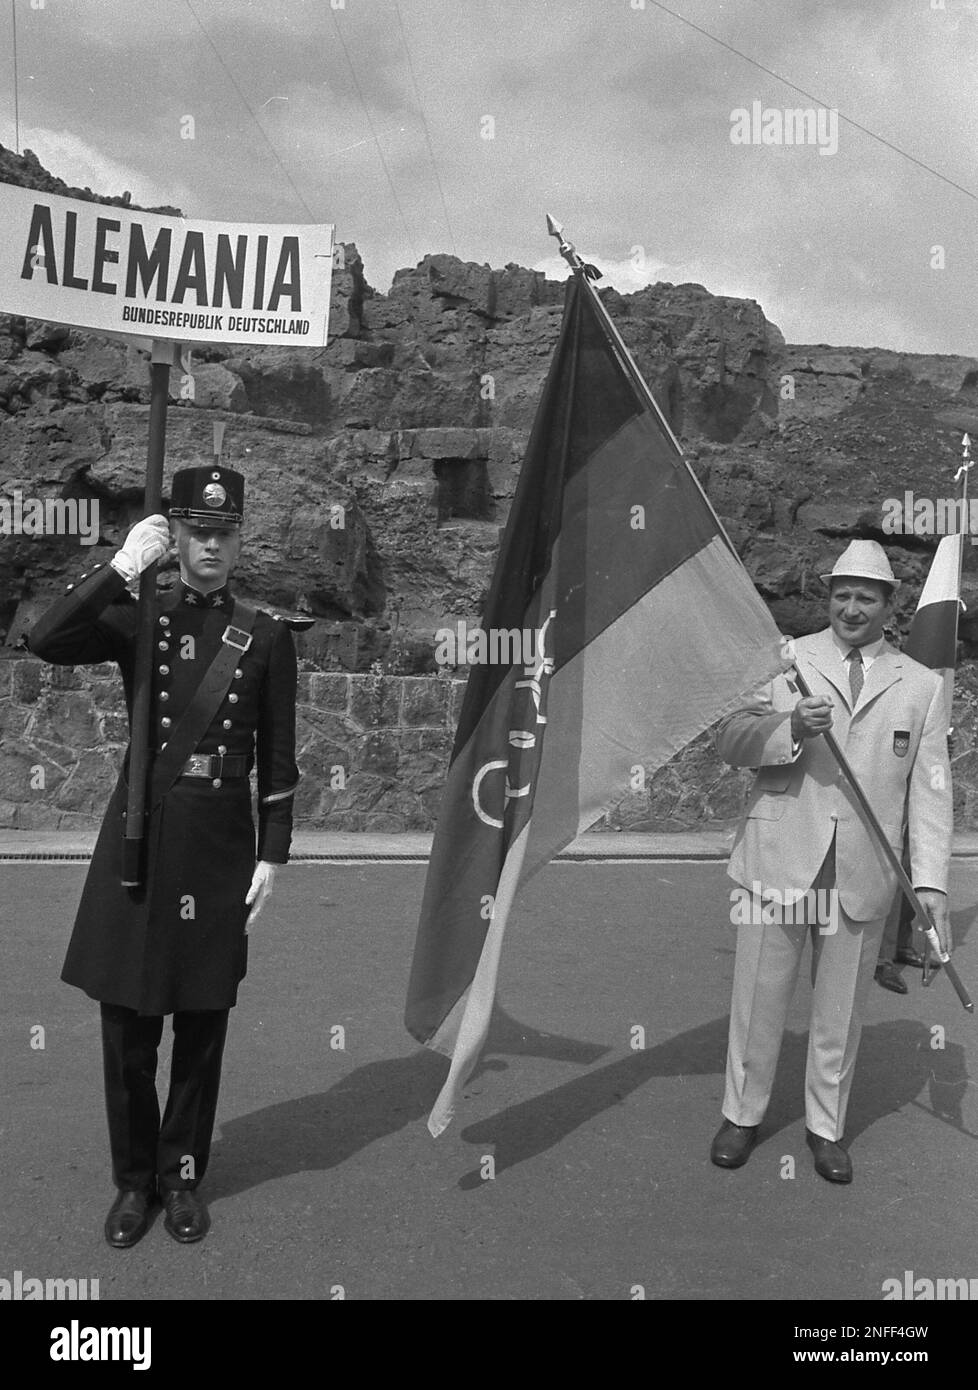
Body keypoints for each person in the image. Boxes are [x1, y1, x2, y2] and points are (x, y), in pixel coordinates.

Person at [29, 466, 299, 1246]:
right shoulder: (143, 615)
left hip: (219, 845)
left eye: (225, 533)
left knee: (202, 1022)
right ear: (175, 538)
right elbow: (47, 641)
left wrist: (272, 853)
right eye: (197, 532)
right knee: (128, 1025)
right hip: (141, 838)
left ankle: (180, 1178)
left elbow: (280, 755)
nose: (211, 545)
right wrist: (117, 567)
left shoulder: (267, 633)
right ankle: (133, 1182)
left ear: (240, 540)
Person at [710, 540, 953, 1183]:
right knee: (759, 999)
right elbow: (729, 740)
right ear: (830, 597)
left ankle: (826, 1128)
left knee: (840, 1012)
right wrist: (790, 728)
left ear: (887, 605)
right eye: (842, 594)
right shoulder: (787, 660)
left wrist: (930, 886)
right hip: (780, 854)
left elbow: (929, 791)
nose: (851, 608)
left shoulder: (921, 685)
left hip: (864, 868)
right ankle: (742, 1115)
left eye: (865, 597)